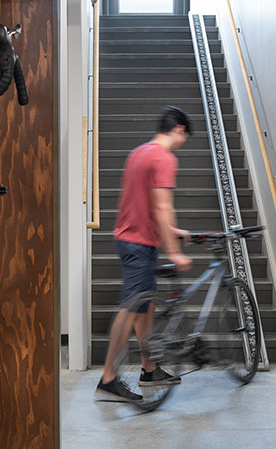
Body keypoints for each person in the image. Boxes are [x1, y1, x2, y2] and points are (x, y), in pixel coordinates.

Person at [96, 106, 193, 402]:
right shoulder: (164, 158)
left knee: (144, 307)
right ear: (178, 129)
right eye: (185, 136)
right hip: (139, 244)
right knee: (130, 308)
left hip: (132, 239)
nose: (183, 142)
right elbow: (162, 206)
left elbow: (145, 204)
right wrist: (174, 251)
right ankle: (108, 379)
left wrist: (171, 230)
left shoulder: (138, 153)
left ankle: (148, 369)